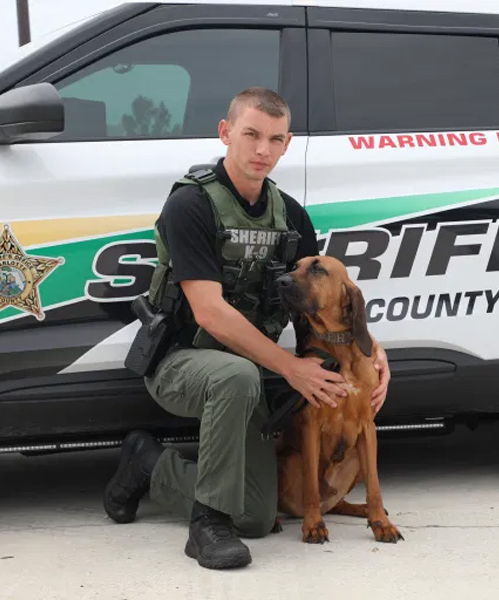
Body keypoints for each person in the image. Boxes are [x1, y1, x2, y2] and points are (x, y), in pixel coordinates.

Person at [102, 88, 391, 570]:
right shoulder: (192, 205)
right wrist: (290, 369)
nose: (262, 150)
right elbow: (209, 314)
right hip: (180, 362)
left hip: (247, 373)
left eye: (275, 139)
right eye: (251, 134)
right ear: (225, 132)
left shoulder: (291, 217)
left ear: (287, 144)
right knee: (236, 377)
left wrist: (373, 353)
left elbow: (321, 307)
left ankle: (149, 464)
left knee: (258, 516)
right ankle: (206, 528)